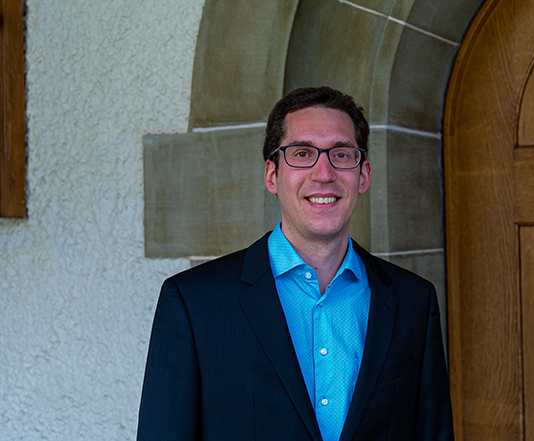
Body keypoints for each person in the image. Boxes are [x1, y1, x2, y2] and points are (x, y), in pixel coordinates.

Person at [136, 86, 454, 441]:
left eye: (341, 154)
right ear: (272, 175)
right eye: (302, 153)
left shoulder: (414, 301)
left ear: (362, 175)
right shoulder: (194, 303)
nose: (323, 173)